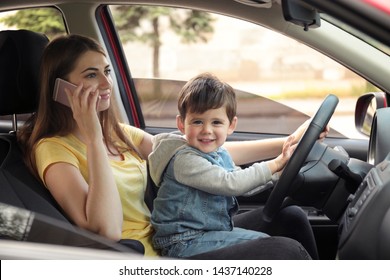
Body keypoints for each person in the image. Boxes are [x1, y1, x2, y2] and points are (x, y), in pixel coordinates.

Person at [17, 34, 324, 259]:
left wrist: (286, 145)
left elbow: (197, 156)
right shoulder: (53, 149)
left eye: (106, 72)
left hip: (178, 235)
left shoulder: (118, 133)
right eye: (91, 75)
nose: (106, 86)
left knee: (291, 218)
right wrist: (92, 137)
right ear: (62, 88)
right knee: (285, 253)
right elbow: (106, 230)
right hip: (145, 259)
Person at [149, 72, 319, 259]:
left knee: (292, 217)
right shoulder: (184, 160)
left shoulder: (217, 152)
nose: (207, 130)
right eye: (197, 122)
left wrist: (278, 175)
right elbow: (232, 183)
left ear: (231, 125)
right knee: (275, 247)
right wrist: (277, 163)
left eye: (216, 122)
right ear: (182, 124)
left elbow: (242, 184)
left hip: (210, 231)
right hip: (183, 242)